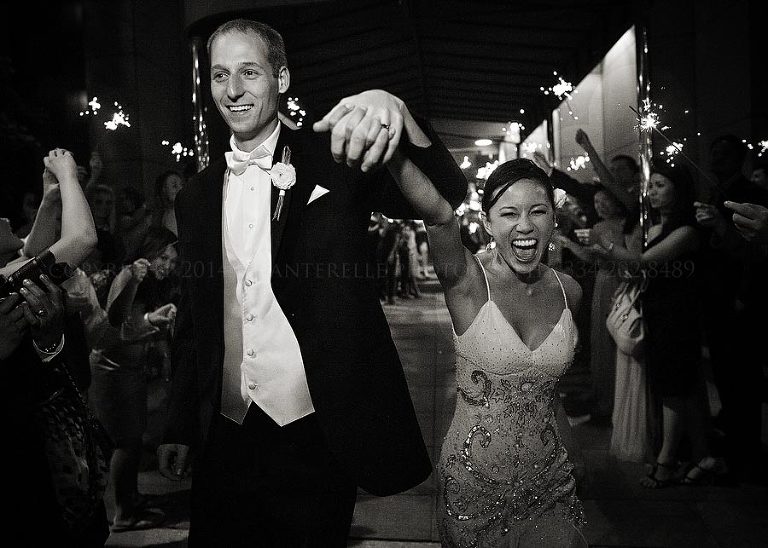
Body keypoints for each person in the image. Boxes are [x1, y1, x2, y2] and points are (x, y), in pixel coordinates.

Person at [156, 19, 467, 546]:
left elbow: (447, 192)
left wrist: (399, 114)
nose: (232, 90)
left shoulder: (334, 156)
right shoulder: (195, 196)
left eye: (249, 72)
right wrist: (180, 422)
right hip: (225, 434)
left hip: (316, 428)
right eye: (219, 75)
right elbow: (195, 319)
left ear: (281, 79)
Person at [393, 157, 586, 546]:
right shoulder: (466, 280)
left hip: (552, 478)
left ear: (554, 219)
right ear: (487, 223)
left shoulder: (570, 292)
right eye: (509, 213)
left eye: (538, 211)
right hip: (473, 484)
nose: (525, 226)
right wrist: (395, 149)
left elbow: (550, 394)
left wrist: (576, 457)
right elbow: (438, 216)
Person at [1, 148, 103, 546]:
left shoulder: (7, 278)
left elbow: (30, 253)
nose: (8, 215)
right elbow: (81, 239)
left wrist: (51, 198)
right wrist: (68, 173)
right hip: (24, 452)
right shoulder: (5, 288)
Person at [595, 164, 716, 486]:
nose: (652, 191)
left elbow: (644, 262)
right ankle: (704, 456)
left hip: (678, 317)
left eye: (660, 185)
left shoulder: (687, 230)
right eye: (652, 185)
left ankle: (666, 462)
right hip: (660, 312)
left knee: (673, 389)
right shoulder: (659, 226)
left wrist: (606, 245)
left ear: (679, 189)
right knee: (684, 390)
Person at [89, 227, 178, 532]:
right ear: (149, 252)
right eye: (163, 257)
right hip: (113, 372)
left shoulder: (148, 283)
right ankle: (124, 515)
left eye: (173, 260)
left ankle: (132, 499)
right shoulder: (130, 275)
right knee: (124, 443)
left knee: (133, 441)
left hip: (129, 372)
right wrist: (151, 321)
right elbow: (115, 329)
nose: (168, 265)